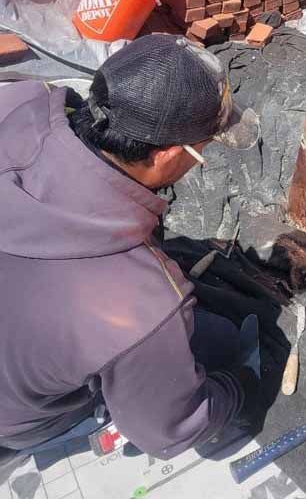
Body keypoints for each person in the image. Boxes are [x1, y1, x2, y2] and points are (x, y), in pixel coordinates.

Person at [0, 34, 261, 460]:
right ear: (166, 155)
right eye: (203, 149)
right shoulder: (138, 309)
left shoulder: (17, 103)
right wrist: (241, 386)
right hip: (17, 418)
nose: (204, 157)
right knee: (223, 344)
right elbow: (168, 434)